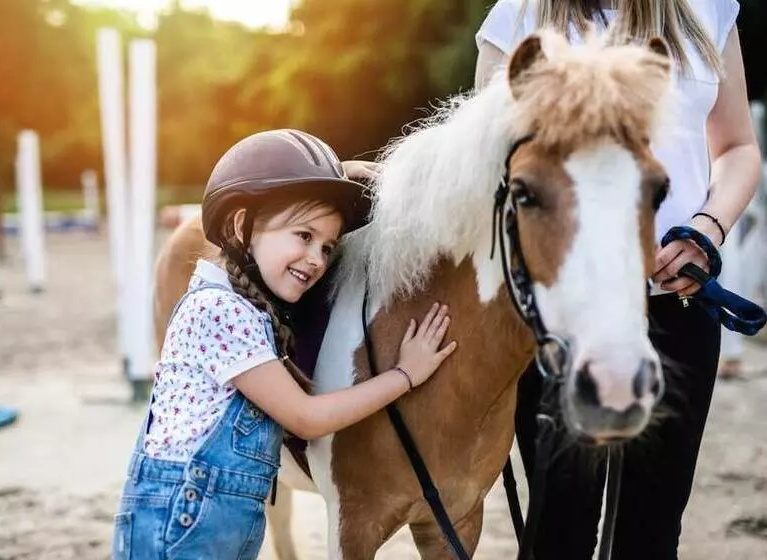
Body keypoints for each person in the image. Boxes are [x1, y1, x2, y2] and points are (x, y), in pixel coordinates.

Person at [475, 1, 761, 558]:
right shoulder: (518, 15)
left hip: (676, 303)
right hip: (561, 321)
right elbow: (490, 164)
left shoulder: (709, 11)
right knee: (559, 527)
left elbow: (738, 147)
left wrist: (707, 227)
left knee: (653, 531)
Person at [111, 129, 458, 559]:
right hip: (181, 522)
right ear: (242, 226)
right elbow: (306, 418)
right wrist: (404, 375)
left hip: (216, 521)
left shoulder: (248, 312)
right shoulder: (220, 311)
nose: (317, 258)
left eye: (328, 247)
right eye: (304, 235)